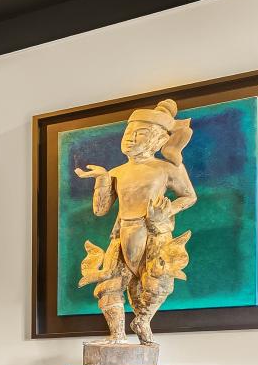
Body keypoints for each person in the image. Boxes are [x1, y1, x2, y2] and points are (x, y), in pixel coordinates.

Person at [74, 98, 196, 344]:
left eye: (139, 134)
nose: (130, 139)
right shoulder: (117, 172)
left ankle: (143, 319)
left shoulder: (167, 168)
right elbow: (100, 210)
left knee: (157, 281)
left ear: (159, 140)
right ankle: (116, 336)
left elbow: (189, 196)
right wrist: (102, 180)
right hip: (121, 234)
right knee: (111, 284)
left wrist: (167, 211)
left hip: (154, 231)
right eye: (128, 133)